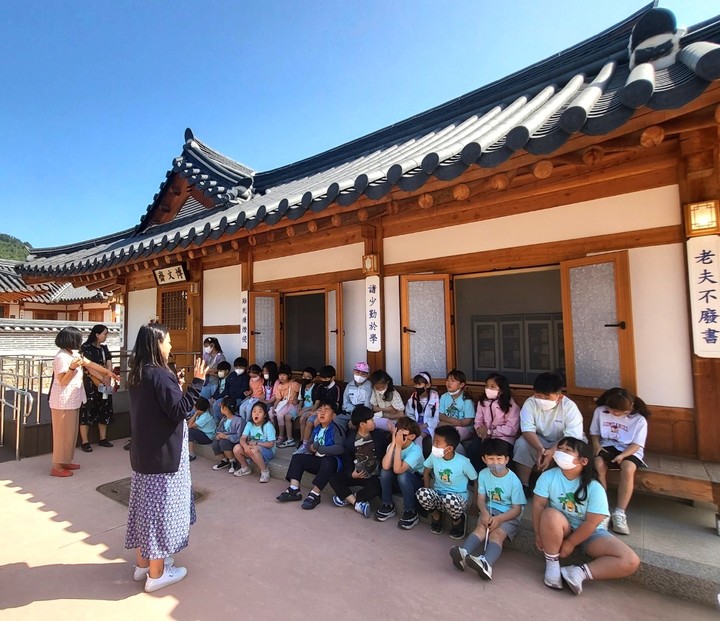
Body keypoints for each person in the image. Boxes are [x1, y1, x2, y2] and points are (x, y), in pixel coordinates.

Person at [125, 323, 207, 592]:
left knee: (143, 511)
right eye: (168, 341)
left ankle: (143, 565)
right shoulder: (161, 374)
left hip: (144, 453)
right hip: (163, 456)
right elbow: (180, 410)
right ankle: (157, 573)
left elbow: (163, 405)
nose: (171, 346)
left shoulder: (138, 373)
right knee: (160, 513)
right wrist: (197, 384)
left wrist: (178, 386)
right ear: (157, 344)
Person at [533, 436, 640, 595]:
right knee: (549, 514)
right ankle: (552, 564)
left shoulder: (595, 487)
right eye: (560, 448)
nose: (561, 452)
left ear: (583, 461)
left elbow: (591, 523)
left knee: (631, 560)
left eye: (568, 450)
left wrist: (570, 543)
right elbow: (538, 505)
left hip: (592, 533)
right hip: (563, 526)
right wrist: (538, 533)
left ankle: (578, 572)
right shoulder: (548, 476)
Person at [449, 438, 526, 580]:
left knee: (496, 535)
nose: (495, 462)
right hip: (490, 511)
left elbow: (517, 509)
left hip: (509, 515)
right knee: (480, 529)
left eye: (499, 458)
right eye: (490, 458)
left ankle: (486, 563)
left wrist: (499, 519)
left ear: (507, 459)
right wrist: (484, 513)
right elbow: (480, 499)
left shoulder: (514, 480)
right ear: (484, 459)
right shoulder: (484, 474)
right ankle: (463, 553)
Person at [48, 326, 118, 477]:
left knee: (70, 434)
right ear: (70, 340)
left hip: (73, 400)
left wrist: (108, 372)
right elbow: (62, 381)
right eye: (77, 338)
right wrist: (72, 368)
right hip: (62, 401)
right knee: (62, 435)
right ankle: (57, 466)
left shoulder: (74, 353)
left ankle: (65, 461)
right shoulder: (61, 357)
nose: (80, 341)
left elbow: (89, 364)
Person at [590, 387, 650, 535]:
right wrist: (596, 445)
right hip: (607, 444)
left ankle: (620, 513)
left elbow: (637, 444)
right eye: (613, 411)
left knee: (628, 468)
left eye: (621, 412)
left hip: (630, 449)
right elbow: (595, 432)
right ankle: (603, 509)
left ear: (630, 407)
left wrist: (623, 456)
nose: (616, 414)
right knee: (598, 464)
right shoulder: (600, 411)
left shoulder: (639, 419)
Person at [514, 372, 584, 494]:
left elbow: (572, 436)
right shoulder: (530, 403)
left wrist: (552, 451)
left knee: (569, 453)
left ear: (559, 396)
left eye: (547, 397)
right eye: (538, 395)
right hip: (539, 440)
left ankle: (568, 488)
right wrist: (540, 449)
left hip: (565, 441)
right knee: (521, 444)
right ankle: (523, 486)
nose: (541, 400)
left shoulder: (569, 407)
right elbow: (527, 430)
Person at [277, 400, 345, 510]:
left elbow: (340, 448)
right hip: (318, 461)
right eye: (320, 410)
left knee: (328, 462)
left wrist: (322, 449)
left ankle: (315, 494)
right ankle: (294, 489)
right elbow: (309, 444)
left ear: (333, 415)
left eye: (326, 410)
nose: (322, 413)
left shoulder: (336, 429)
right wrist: (311, 447)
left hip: (332, 464)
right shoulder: (317, 428)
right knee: (297, 457)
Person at [416, 426, 478, 539]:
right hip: (439, 497)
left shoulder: (463, 462)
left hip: (457, 500)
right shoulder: (434, 456)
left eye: (437, 443)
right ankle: (436, 517)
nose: (434, 445)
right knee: (422, 493)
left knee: (449, 498)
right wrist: (428, 490)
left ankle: (457, 520)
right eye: (434, 441)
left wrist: (474, 503)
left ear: (449, 448)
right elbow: (426, 472)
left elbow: (475, 480)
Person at [329, 405, 387, 518]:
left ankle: (347, 499)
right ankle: (357, 503)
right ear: (362, 424)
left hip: (372, 475)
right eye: (370, 420)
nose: (374, 422)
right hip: (357, 474)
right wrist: (351, 474)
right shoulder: (350, 441)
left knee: (376, 488)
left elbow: (385, 453)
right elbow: (347, 462)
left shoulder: (379, 435)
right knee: (333, 477)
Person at [375, 417, 425, 529]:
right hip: (399, 481)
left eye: (403, 434)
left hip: (416, 483)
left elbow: (399, 470)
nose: (398, 436)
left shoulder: (415, 450)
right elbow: (385, 466)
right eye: (397, 432)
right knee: (384, 472)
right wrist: (393, 444)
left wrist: (398, 446)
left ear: (412, 437)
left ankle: (410, 512)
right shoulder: (392, 445)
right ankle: (388, 505)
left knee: (402, 475)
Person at [466, 373, 520, 471]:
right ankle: (478, 477)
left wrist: (490, 432)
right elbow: (478, 420)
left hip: (504, 438)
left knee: (495, 451)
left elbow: (512, 429)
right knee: (473, 449)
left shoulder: (510, 405)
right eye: (487, 386)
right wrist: (480, 430)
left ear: (501, 390)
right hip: (484, 436)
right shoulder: (482, 402)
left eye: (492, 387)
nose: (488, 388)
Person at [79, 324, 115, 452]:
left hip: (105, 382)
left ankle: (103, 438)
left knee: (104, 407)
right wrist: (101, 377)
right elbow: (88, 366)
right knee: (87, 408)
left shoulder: (104, 348)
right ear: (97, 335)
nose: (106, 336)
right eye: (104, 334)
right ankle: (85, 441)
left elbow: (109, 362)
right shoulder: (86, 348)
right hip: (90, 383)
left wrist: (108, 375)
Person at [294, 365, 340, 454]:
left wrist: (324, 412)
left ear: (332, 378)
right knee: (309, 421)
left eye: (326, 379)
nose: (323, 381)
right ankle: (304, 445)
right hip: (319, 410)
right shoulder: (321, 387)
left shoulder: (336, 388)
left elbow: (336, 405)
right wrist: (313, 412)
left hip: (330, 412)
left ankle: (318, 445)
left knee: (316, 422)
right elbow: (318, 403)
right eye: (322, 378)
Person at [233, 401, 276, 482]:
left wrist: (256, 443)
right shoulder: (249, 424)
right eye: (254, 411)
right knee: (237, 448)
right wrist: (245, 446)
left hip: (268, 451)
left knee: (254, 448)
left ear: (265, 415)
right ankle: (246, 467)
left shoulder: (268, 425)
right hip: (253, 449)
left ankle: (264, 471)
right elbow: (242, 438)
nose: (256, 414)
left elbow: (271, 444)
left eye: (260, 412)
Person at [405, 371, 440, 455]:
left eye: (419, 384)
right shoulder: (413, 397)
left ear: (427, 385)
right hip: (415, 423)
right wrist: (414, 425)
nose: (417, 387)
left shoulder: (435, 397)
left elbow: (437, 417)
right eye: (415, 384)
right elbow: (409, 414)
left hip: (429, 424)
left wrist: (425, 425)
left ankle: (418, 461)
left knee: (418, 437)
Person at [437, 369, 475, 443]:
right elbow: (440, 415)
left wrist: (453, 424)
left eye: (453, 381)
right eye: (447, 380)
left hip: (463, 428)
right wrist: (452, 422)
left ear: (461, 385)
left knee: (450, 439)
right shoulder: (444, 397)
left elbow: (468, 421)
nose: (449, 383)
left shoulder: (466, 399)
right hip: (449, 424)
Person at [210, 397, 245, 473]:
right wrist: (218, 435)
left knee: (224, 442)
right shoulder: (224, 418)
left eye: (221, 406)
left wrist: (226, 437)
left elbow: (239, 436)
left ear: (225, 408)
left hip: (233, 441)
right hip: (224, 438)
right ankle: (224, 460)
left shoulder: (239, 420)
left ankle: (233, 461)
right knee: (215, 444)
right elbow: (219, 429)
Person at [272, 364, 300, 448]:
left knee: (280, 414)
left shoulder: (294, 384)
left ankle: (282, 436)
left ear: (289, 375)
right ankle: (276, 435)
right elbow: (278, 399)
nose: (281, 377)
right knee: (273, 413)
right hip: (284, 404)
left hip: (292, 405)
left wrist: (297, 400)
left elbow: (302, 393)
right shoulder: (280, 386)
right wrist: (274, 407)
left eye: (284, 375)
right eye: (280, 375)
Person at [338, 362, 372, 430]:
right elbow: (345, 404)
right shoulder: (349, 386)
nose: (360, 375)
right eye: (357, 372)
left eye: (363, 374)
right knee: (337, 420)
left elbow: (367, 406)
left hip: (363, 415)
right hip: (349, 413)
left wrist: (355, 418)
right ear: (353, 372)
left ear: (368, 375)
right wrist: (353, 412)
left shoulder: (369, 386)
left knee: (356, 425)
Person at [187, 397, 214, 461]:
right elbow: (188, 422)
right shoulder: (201, 414)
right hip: (202, 433)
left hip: (208, 437)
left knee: (190, 432)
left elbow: (189, 426)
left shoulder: (205, 416)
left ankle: (191, 454)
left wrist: (195, 414)